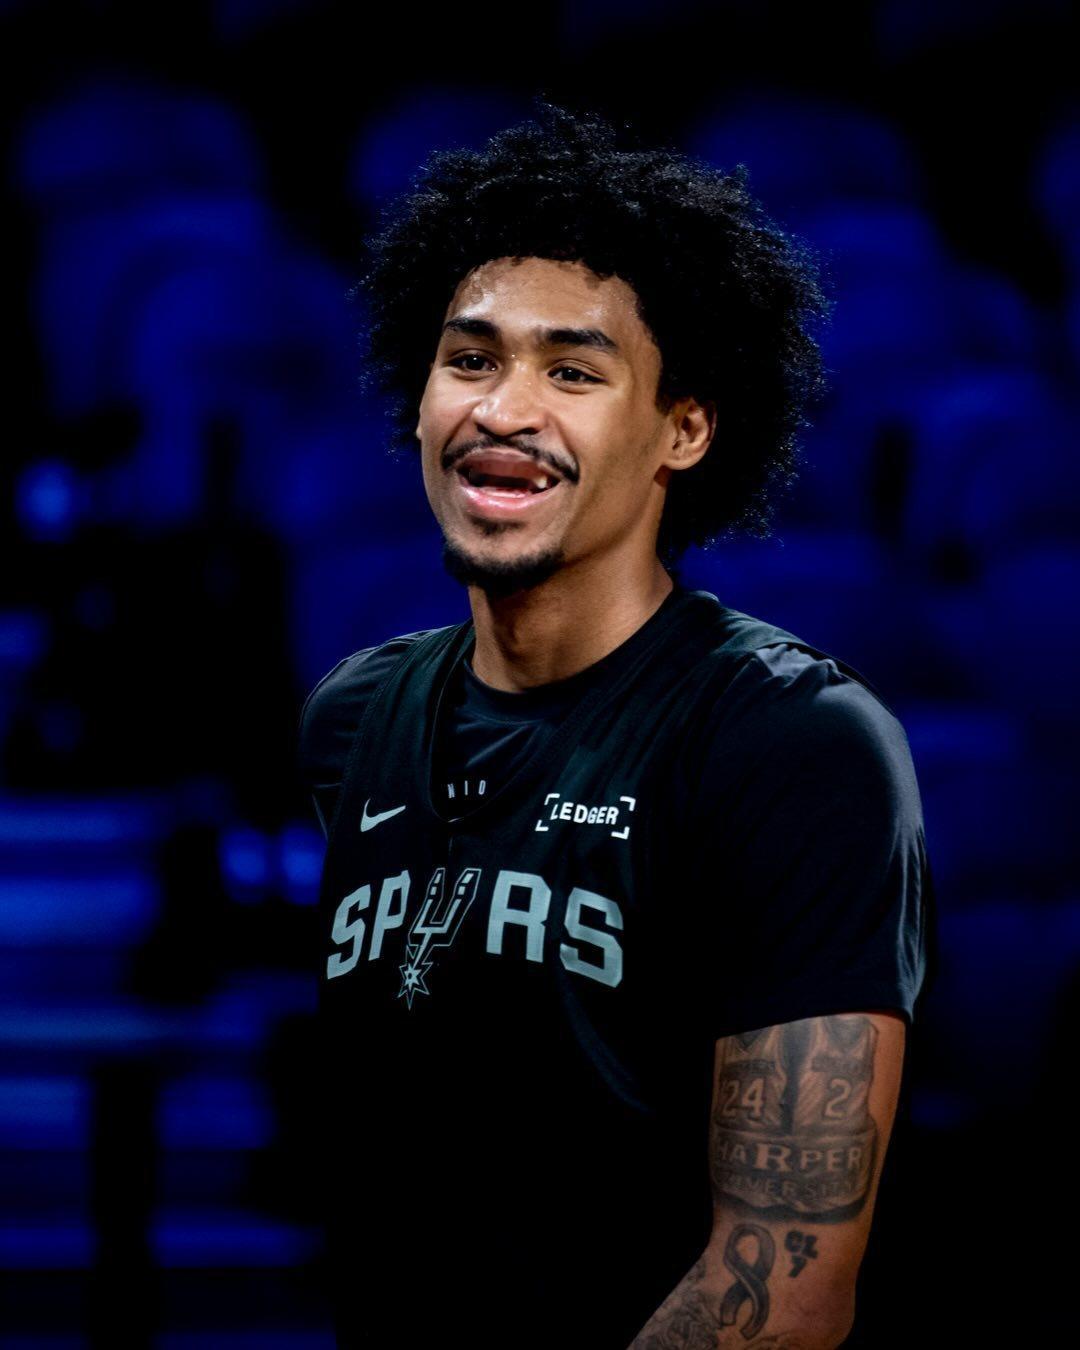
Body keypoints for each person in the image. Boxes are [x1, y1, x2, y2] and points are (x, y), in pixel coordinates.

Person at [298, 100, 935, 1349]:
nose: (503, 410)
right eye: (470, 360)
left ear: (684, 429)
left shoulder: (791, 740)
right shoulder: (352, 718)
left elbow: (786, 1284)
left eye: (573, 372)